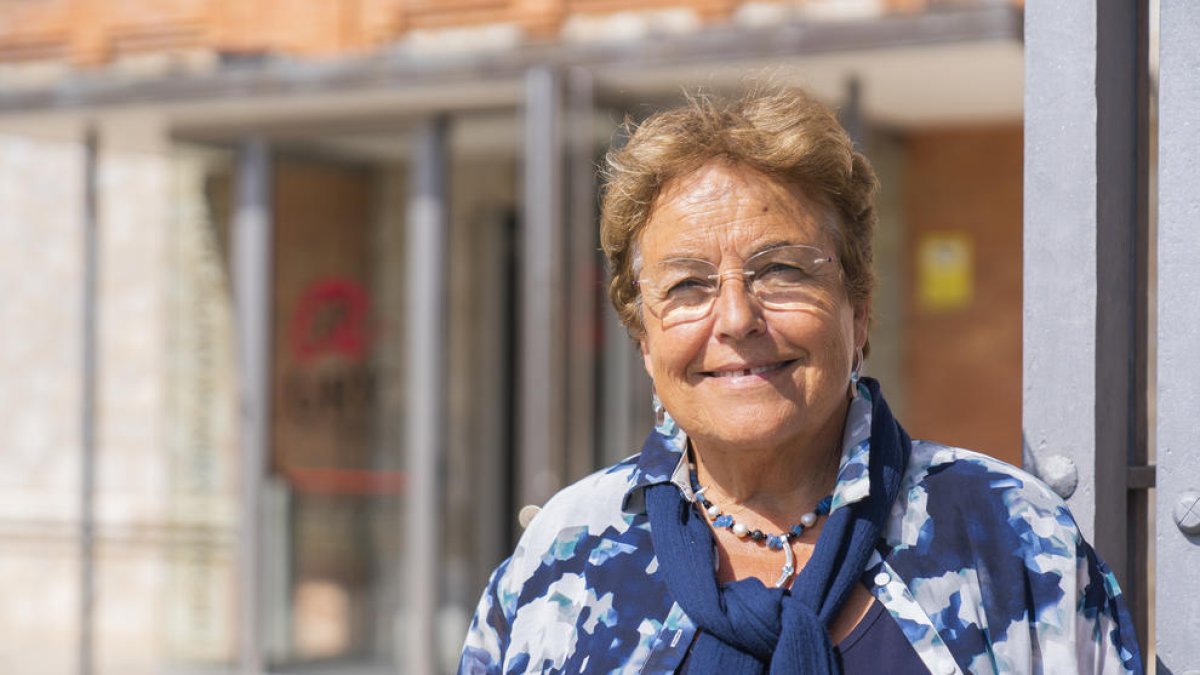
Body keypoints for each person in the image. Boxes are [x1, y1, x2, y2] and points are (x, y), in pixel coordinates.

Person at [460, 86, 1142, 674]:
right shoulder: (564, 553)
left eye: (781, 271)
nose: (735, 318)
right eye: (688, 285)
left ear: (860, 305)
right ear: (643, 335)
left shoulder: (1007, 533)